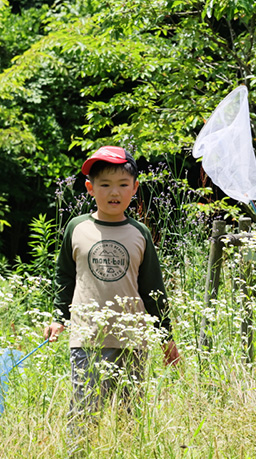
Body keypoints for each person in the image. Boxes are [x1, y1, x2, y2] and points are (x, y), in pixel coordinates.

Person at [43, 146, 180, 450]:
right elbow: (64, 276)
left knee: (130, 416)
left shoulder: (140, 233)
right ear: (90, 188)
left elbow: (153, 290)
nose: (113, 192)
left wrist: (165, 337)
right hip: (87, 338)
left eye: (122, 184)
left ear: (135, 187)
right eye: (104, 184)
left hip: (132, 340)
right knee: (84, 412)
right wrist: (58, 318)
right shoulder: (76, 228)